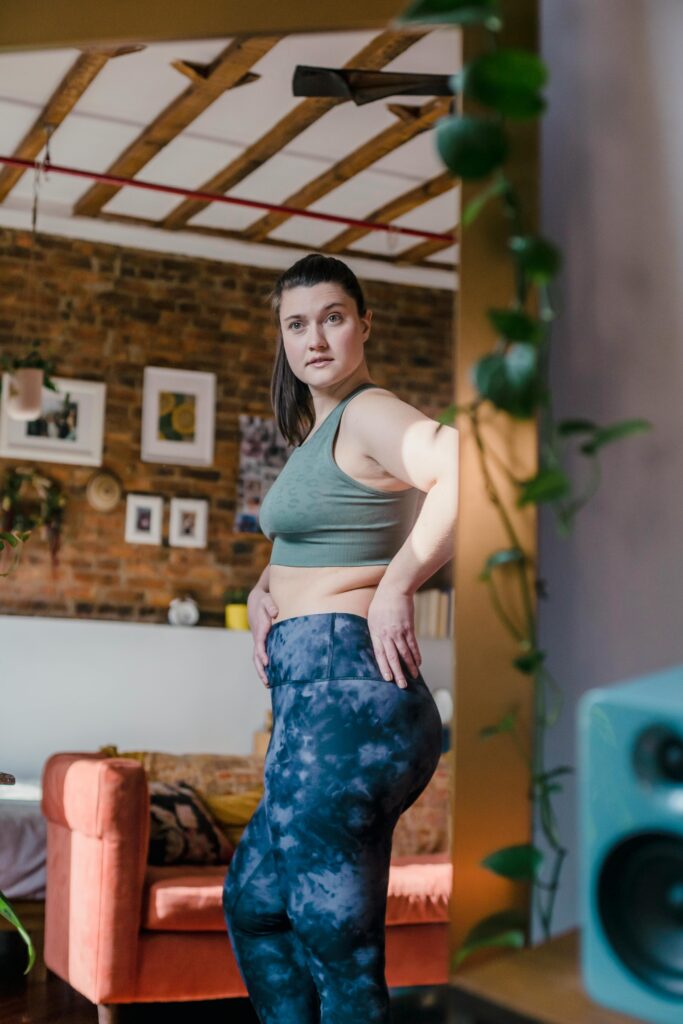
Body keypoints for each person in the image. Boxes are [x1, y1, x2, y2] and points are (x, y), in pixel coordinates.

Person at [223, 252, 458, 1023]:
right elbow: (313, 544)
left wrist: (399, 583)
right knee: (257, 902)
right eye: (296, 324)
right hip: (310, 697)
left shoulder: (367, 411)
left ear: (363, 324)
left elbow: (461, 462)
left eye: (331, 317)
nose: (313, 337)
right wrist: (263, 588)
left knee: (334, 937)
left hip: (347, 692)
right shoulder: (319, 431)